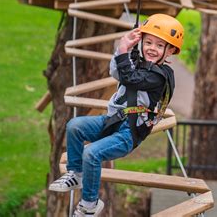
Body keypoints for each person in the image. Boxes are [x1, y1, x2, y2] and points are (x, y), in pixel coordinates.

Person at [48, 14, 184, 217]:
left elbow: (130, 77)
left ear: (171, 50)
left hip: (129, 133)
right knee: (75, 125)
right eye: (147, 42)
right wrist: (126, 49)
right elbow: (117, 73)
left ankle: (90, 204)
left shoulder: (159, 76)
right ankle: (76, 173)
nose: (151, 48)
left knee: (92, 153)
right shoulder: (141, 63)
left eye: (159, 45)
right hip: (113, 121)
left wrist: (122, 51)